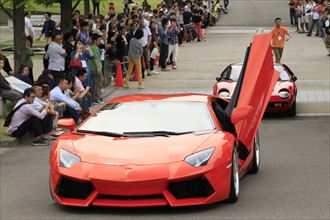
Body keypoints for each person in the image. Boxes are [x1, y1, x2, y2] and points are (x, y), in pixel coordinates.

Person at [88, 34, 104, 104]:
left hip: (93, 68)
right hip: (95, 68)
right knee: (97, 84)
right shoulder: (94, 48)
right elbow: (96, 59)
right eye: (99, 40)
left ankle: (95, 98)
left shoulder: (94, 48)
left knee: (95, 84)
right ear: (94, 40)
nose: (100, 41)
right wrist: (98, 68)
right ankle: (96, 99)